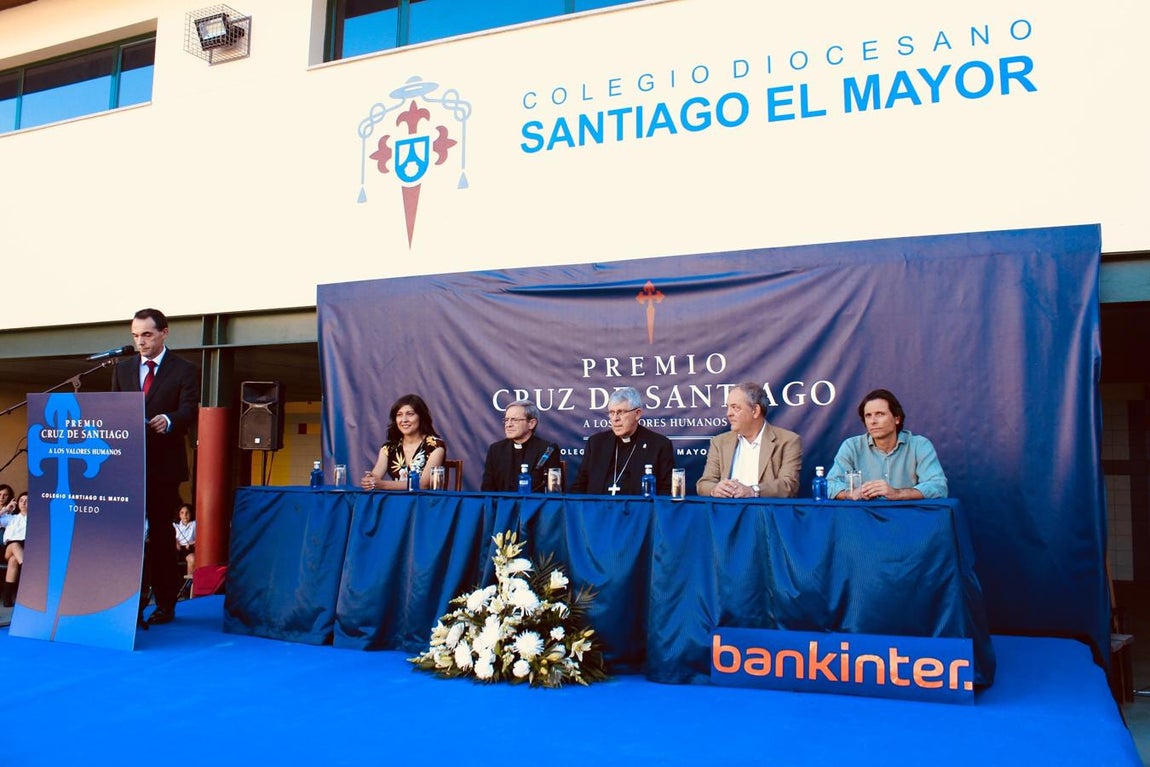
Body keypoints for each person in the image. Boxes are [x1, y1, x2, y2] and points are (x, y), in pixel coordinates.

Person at [111, 308, 200, 626]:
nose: (140, 342)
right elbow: (114, 411)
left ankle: (165, 603)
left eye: (147, 335)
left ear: (165, 332)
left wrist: (171, 419)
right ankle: (127, 604)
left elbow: (190, 408)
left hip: (163, 469)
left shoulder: (184, 369)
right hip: (129, 466)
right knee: (128, 537)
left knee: (161, 537)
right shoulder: (122, 369)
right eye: (135, 336)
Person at [827, 388, 947, 500]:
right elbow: (829, 485)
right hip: (864, 517)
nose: (873, 421)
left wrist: (897, 493)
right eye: (868, 416)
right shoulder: (851, 446)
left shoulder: (919, 445)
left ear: (897, 418)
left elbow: (939, 487)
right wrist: (850, 494)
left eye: (880, 414)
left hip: (907, 517)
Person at [696, 382, 802, 498]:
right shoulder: (719, 442)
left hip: (765, 514)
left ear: (755, 411)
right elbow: (704, 483)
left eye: (735, 408)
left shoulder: (788, 441)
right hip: (727, 513)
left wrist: (753, 491)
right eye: (728, 407)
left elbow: (789, 485)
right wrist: (715, 489)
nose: (729, 414)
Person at [571, 387, 674, 495]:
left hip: (638, 511)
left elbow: (666, 491)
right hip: (599, 510)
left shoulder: (659, 445)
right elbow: (579, 486)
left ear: (637, 414)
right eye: (612, 412)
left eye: (620, 412)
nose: (615, 419)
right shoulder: (596, 443)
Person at [361, 394, 447, 490]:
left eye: (410, 414)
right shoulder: (389, 448)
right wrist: (369, 481)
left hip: (425, 503)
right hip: (395, 502)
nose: (404, 420)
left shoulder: (435, 446)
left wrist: (383, 484)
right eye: (399, 415)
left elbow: (423, 484)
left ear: (421, 417)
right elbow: (375, 478)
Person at [481, 400, 563, 492]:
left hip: (535, 505)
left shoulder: (547, 449)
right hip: (502, 505)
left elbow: (554, 491)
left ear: (531, 423)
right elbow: (487, 489)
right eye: (506, 420)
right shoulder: (496, 449)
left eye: (514, 420)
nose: (508, 425)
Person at [0, 491, 27, 607]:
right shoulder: (11, 518)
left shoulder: (37, 519)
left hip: (26, 548)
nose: (24, 503)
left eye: (27, 501)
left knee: (13, 561)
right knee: (15, 545)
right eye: (21, 501)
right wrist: (6, 509)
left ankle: (7, 597)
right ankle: (29, 570)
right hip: (8, 548)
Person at [174, 503, 196, 579]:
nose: (185, 515)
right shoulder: (175, 525)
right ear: (179, 515)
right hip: (178, 547)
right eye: (182, 513)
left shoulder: (194, 524)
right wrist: (176, 543)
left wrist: (192, 543)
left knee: (192, 559)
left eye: (187, 513)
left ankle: (189, 585)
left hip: (189, 547)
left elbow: (201, 537)